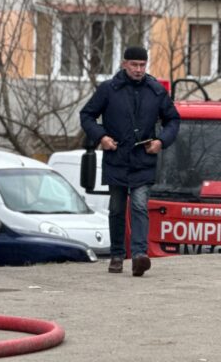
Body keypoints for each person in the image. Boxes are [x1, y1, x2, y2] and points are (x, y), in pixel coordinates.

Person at [80, 46, 180, 277]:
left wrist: (161, 142)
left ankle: (138, 256)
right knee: (116, 208)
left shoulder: (155, 91)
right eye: (134, 65)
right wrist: (101, 137)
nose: (138, 69)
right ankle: (117, 255)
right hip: (116, 158)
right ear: (124, 64)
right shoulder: (109, 89)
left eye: (142, 65)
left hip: (143, 159)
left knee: (138, 205)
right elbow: (87, 115)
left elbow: (173, 120)